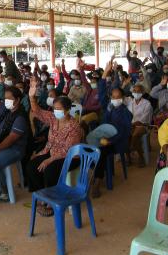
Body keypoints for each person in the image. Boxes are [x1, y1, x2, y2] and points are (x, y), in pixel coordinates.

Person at [26, 79, 82, 216]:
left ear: (68, 110)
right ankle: (41, 196)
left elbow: (68, 150)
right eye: (55, 108)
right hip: (52, 151)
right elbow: (37, 111)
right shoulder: (53, 118)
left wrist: (49, 160)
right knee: (32, 166)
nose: (56, 111)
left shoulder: (74, 126)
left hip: (70, 157)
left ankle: (52, 202)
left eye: (59, 109)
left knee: (50, 170)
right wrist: (31, 97)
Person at [86, 60, 133, 198]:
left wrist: (109, 140)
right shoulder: (108, 106)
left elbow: (124, 132)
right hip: (102, 138)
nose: (115, 99)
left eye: (118, 97)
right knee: (89, 147)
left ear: (123, 98)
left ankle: (97, 182)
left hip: (117, 142)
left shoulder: (126, 113)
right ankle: (94, 173)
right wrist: (105, 73)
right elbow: (101, 91)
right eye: (113, 96)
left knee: (101, 150)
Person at [0, 73, 29, 202]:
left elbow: (11, 139)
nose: (6, 101)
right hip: (1, 144)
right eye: (5, 99)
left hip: (15, 149)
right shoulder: (6, 108)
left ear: (18, 100)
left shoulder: (20, 117)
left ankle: (5, 190)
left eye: (10, 99)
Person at [127, 84, 153, 167]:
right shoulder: (129, 102)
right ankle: (128, 158)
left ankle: (139, 156)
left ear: (142, 92)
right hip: (131, 125)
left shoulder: (147, 103)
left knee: (135, 135)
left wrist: (133, 124)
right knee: (125, 134)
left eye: (138, 91)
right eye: (134, 91)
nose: (136, 93)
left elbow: (144, 119)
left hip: (143, 125)